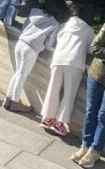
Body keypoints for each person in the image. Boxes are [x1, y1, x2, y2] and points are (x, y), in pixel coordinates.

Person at [41, 8, 94, 137]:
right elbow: (90, 49)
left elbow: (58, 39)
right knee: (69, 94)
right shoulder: (88, 30)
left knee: (53, 89)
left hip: (58, 58)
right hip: (74, 63)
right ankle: (60, 122)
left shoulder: (65, 25)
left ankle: (47, 117)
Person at [5, 1, 65, 112]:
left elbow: (24, 26)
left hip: (21, 42)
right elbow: (49, 44)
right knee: (22, 75)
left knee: (18, 72)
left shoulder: (34, 12)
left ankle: (7, 99)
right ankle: (14, 102)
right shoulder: (55, 24)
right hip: (31, 49)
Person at [73, 19, 105, 167]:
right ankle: (85, 145)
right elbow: (94, 48)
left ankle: (95, 151)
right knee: (91, 111)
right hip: (97, 75)